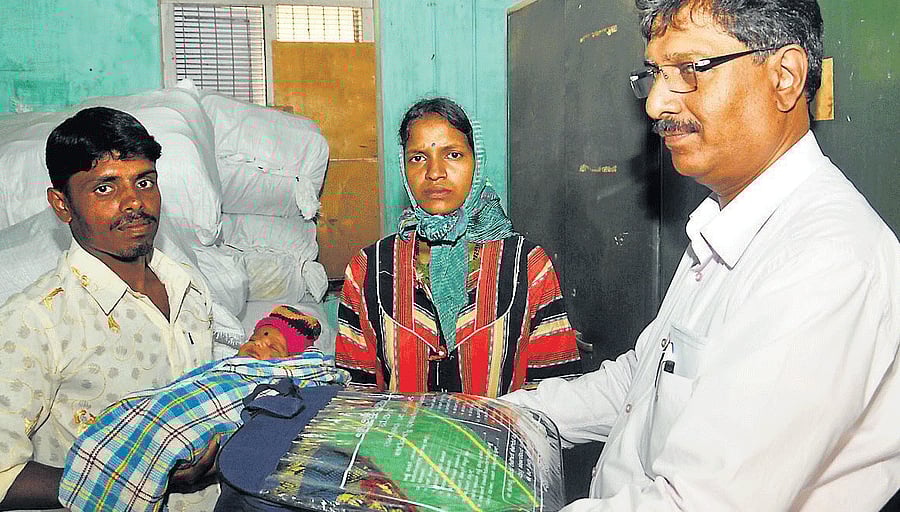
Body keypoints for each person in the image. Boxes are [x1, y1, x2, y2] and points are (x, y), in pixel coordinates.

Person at [503, 0, 900, 510]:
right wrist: (502, 417)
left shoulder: (824, 262)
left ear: (785, 76)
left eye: (690, 70)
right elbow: (641, 380)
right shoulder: (727, 221)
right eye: (656, 73)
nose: (656, 104)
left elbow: (694, 502)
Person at [0, 107, 217, 511]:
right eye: (105, 188)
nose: (134, 201)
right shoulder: (35, 321)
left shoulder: (187, 285)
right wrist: (129, 478)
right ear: (62, 205)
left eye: (144, 181)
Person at [335, 97, 580, 397]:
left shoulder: (528, 266)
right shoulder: (368, 269)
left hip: (496, 442)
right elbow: (352, 397)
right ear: (403, 169)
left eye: (453, 154)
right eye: (418, 158)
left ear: (477, 162)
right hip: (399, 443)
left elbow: (557, 394)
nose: (434, 172)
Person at [59, 304, 348, 512]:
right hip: (186, 405)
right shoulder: (227, 366)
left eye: (273, 348)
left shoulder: (288, 376)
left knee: (166, 437)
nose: (258, 346)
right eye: (255, 338)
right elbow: (192, 388)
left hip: (216, 420)